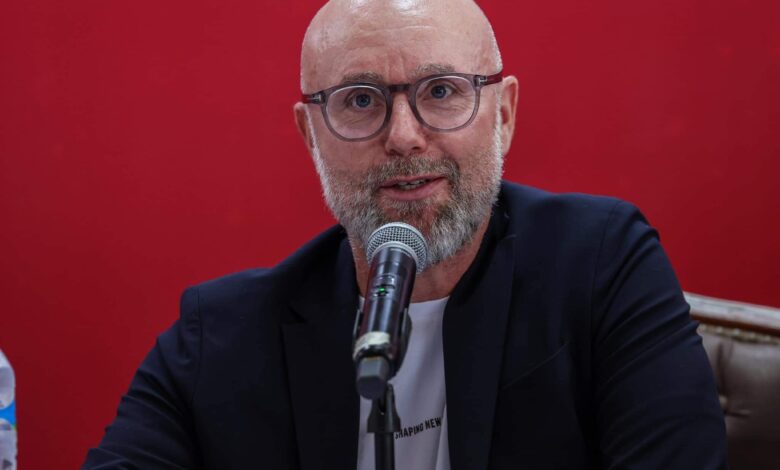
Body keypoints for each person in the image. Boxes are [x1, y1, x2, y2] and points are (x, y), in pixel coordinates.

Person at [83, 0, 728, 469]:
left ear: (503, 115)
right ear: (311, 135)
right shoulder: (220, 336)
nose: (403, 136)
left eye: (441, 91)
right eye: (361, 100)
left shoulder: (601, 265)